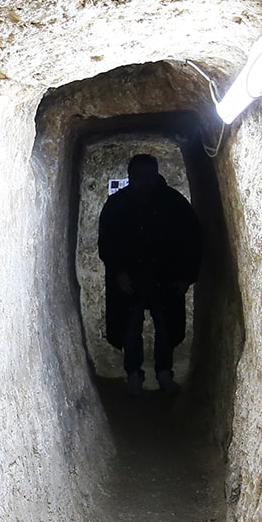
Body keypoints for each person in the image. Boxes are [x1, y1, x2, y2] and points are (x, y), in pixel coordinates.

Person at [97, 153, 201, 395]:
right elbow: (107, 242)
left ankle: (164, 373)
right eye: (138, 176)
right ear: (130, 176)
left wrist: (185, 274)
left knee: (165, 325)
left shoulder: (173, 202)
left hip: (166, 274)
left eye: (148, 175)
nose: (143, 181)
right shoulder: (117, 204)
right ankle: (133, 374)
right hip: (131, 276)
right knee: (130, 325)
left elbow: (192, 239)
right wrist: (118, 272)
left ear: (155, 175)